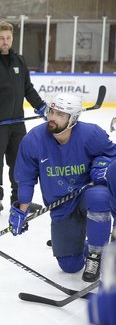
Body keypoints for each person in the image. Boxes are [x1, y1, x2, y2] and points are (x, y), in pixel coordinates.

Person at [10, 93, 116, 283]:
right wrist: (22, 208)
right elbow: (26, 178)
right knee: (70, 265)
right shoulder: (33, 140)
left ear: (73, 119)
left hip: (86, 195)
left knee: (100, 196)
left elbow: (113, 156)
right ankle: (87, 244)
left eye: (60, 114)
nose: (52, 117)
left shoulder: (91, 134)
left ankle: (95, 255)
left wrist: (104, 166)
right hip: (61, 206)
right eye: (52, 112)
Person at [0, 21, 47, 215]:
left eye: (8, 38)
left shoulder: (19, 61)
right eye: (2, 38)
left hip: (16, 123)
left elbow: (27, 88)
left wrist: (41, 106)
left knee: (20, 162)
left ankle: (20, 200)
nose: (5, 42)